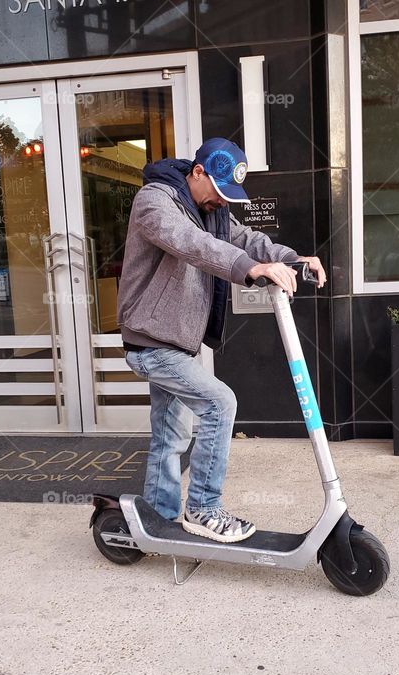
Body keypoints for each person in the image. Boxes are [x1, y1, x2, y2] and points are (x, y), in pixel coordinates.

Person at [117, 138, 325, 543]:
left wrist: (291, 259)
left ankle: (158, 523)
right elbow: (192, 244)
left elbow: (244, 239)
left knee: (170, 435)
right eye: (218, 191)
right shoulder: (154, 203)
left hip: (175, 341)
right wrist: (250, 270)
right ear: (197, 172)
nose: (221, 202)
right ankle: (203, 510)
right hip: (151, 341)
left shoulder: (209, 209)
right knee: (219, 403)